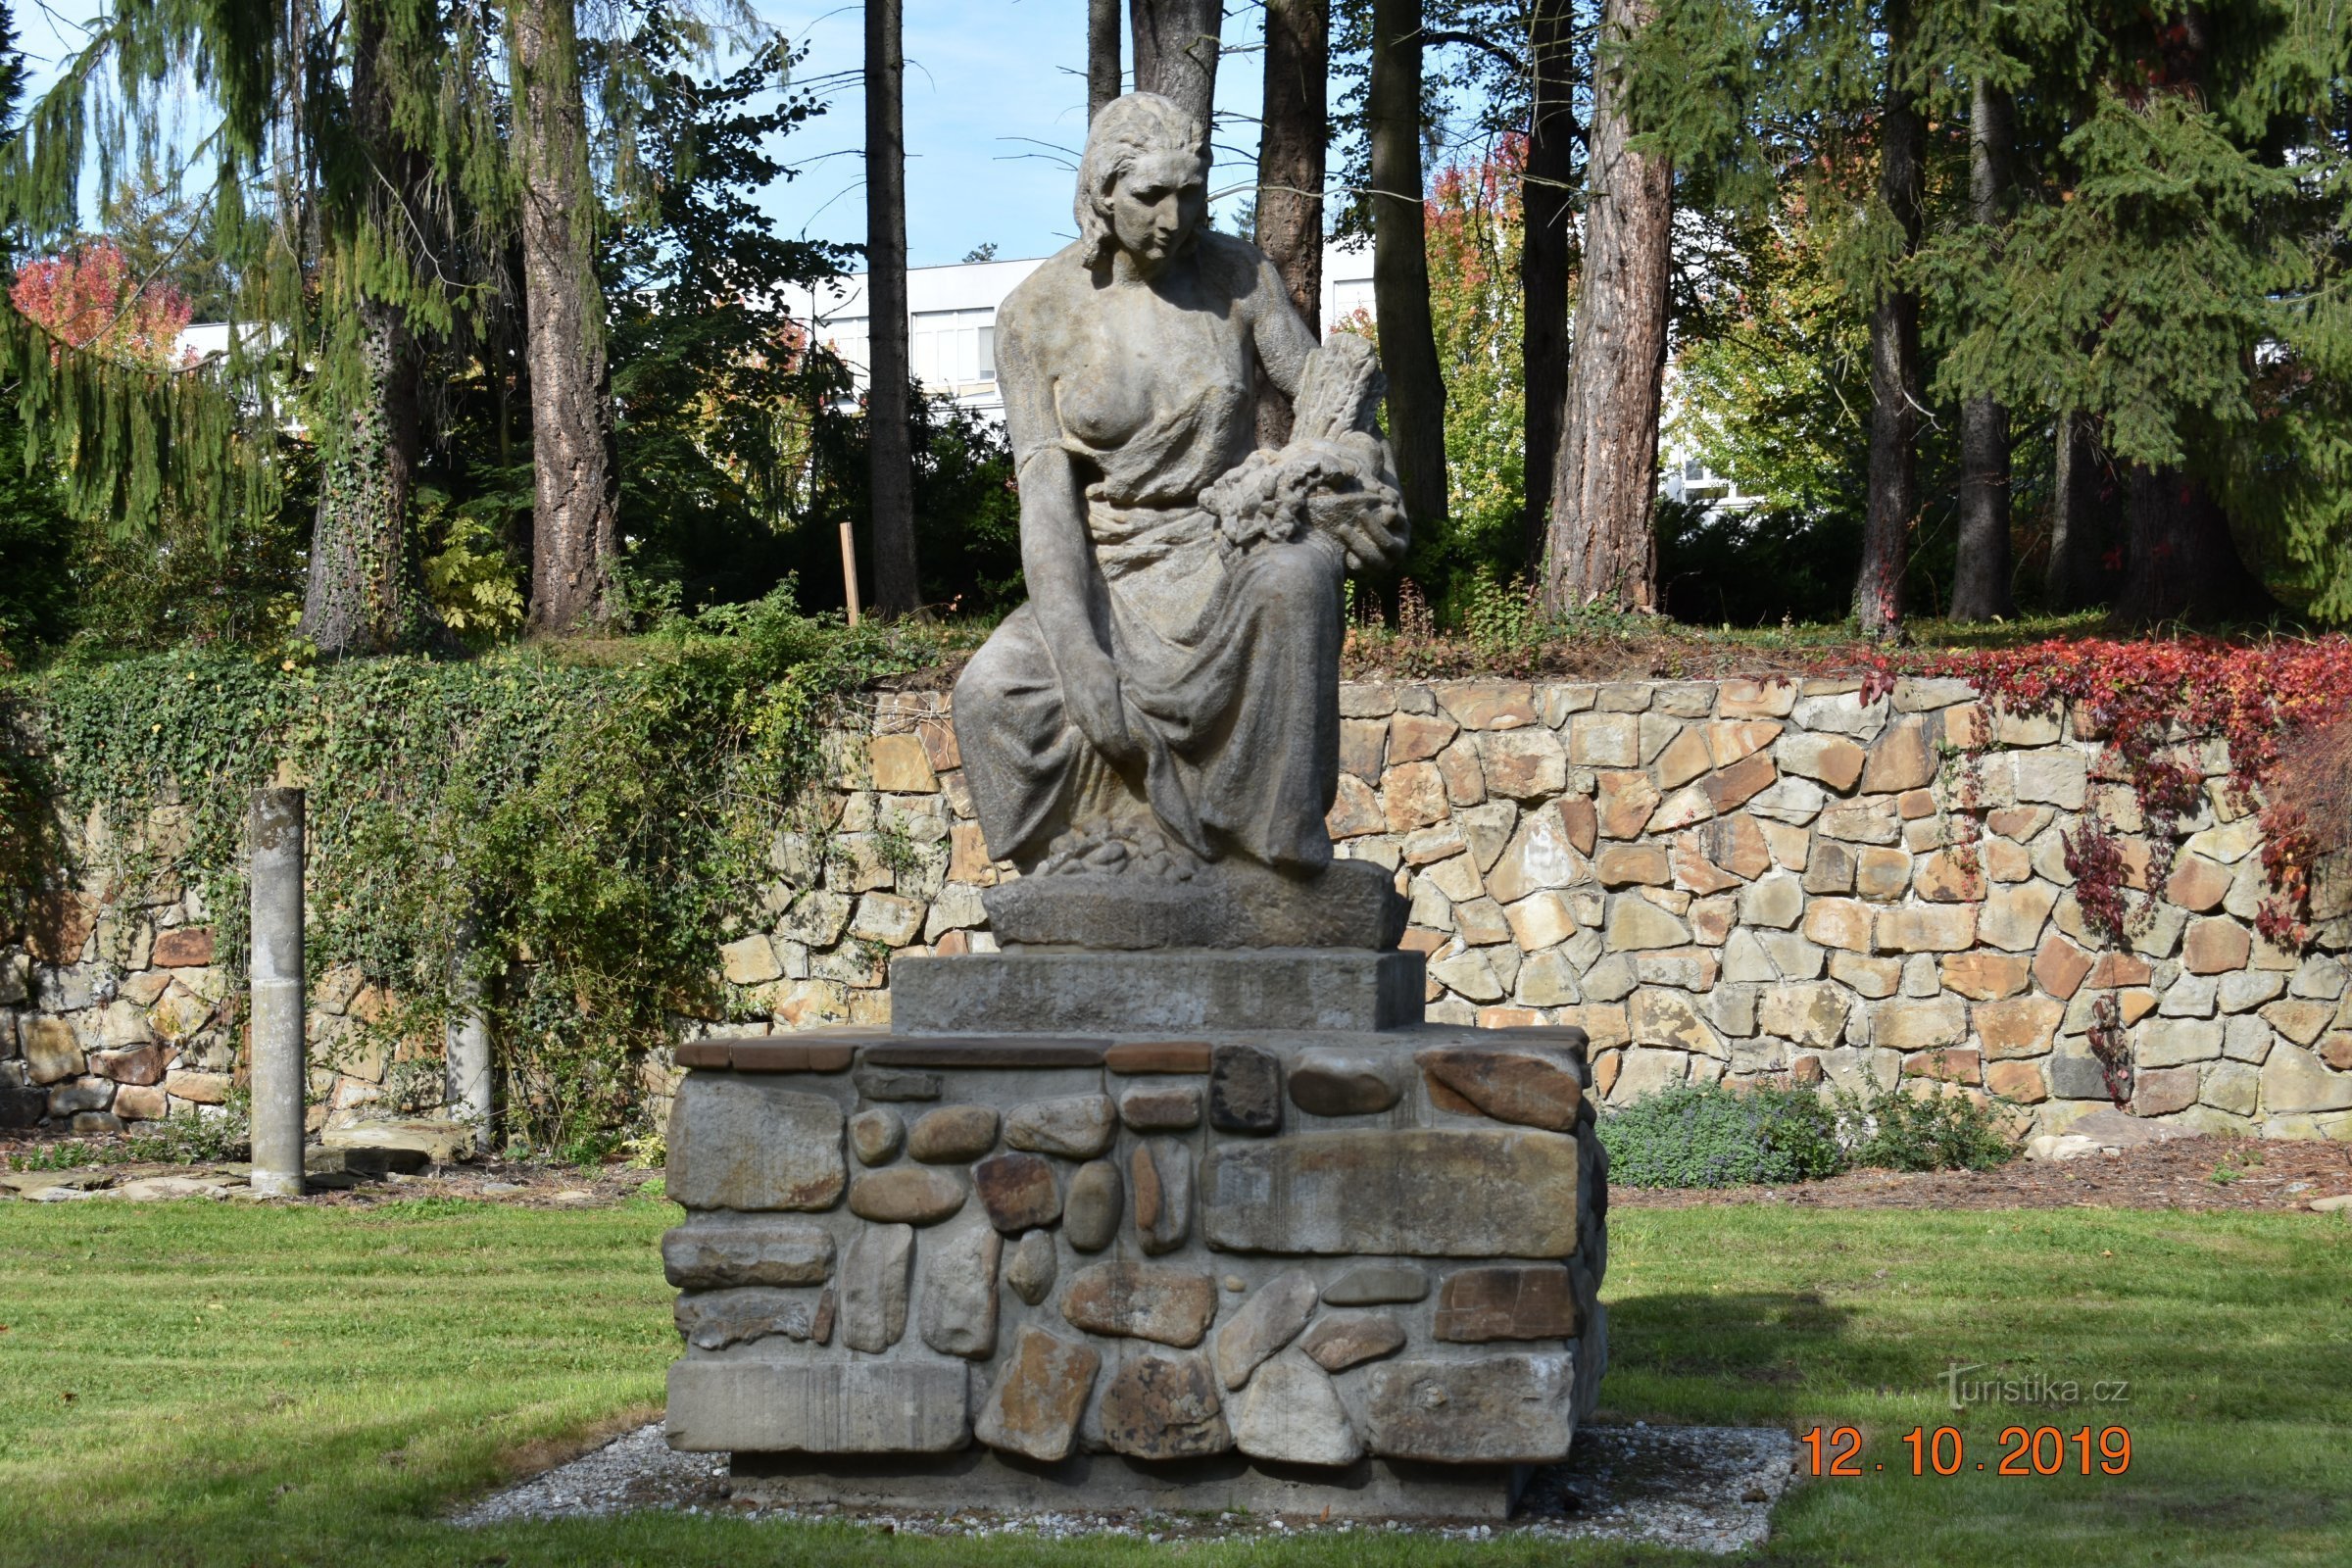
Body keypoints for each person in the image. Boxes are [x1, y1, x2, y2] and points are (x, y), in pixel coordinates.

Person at [954, 92, 1408, 886]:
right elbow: (1048, 502)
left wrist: (1356, 471)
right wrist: (1080, 653)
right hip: (1109, 568)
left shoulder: (1239, 276)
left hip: (1222, 544)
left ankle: (1273, 860)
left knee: (1296, 578)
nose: (1175, 218)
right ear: (1102, 192)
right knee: (991, 693)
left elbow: (1327, 396)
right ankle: (1080, 859)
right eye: (1150, 196)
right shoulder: (1034, 315)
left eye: (1191, 192)